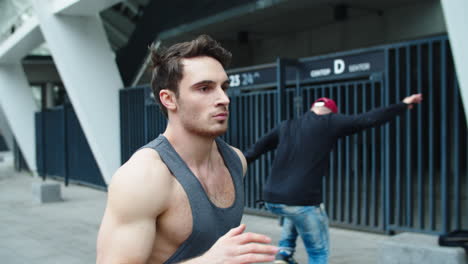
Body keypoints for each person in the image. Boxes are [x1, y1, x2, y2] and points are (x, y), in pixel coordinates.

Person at [96, 35, 278, 264]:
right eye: (204, 88)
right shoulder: (143, 176)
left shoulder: (235, 161)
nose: (224, 99)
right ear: (169, 99)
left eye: (224, 87)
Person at [244, 94, 423, 264]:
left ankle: (284, 254)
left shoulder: (286, 125)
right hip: (300, 201)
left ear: (312, 108)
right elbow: (368, 119)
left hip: (271, 199)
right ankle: (287, 252)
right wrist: (403, 104)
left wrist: (229, 168)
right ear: (332, 111)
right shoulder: (331, 122)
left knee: (294, 211)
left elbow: (255, 150)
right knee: (317, 250)